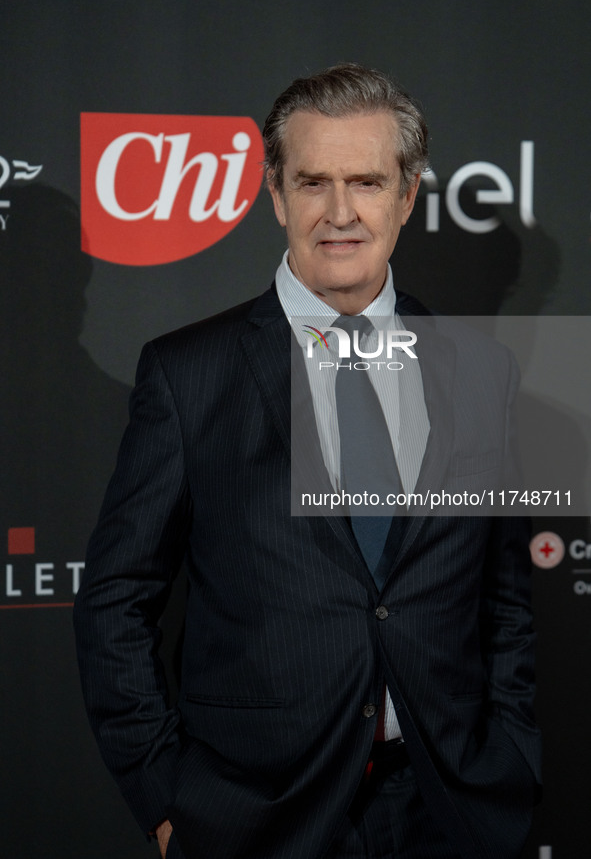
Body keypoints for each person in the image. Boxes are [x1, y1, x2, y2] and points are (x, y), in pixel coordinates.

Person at [74, 63, 541, 859]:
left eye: (365, 181)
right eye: (312, 181)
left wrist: (510, 759)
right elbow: (116, 598)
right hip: (258, 819)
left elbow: (503, 602)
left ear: (406, 193)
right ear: (276, 192)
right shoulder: (190, 374)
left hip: (449, 810)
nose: (339, 212)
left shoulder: (479, 370)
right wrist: (165, 799)